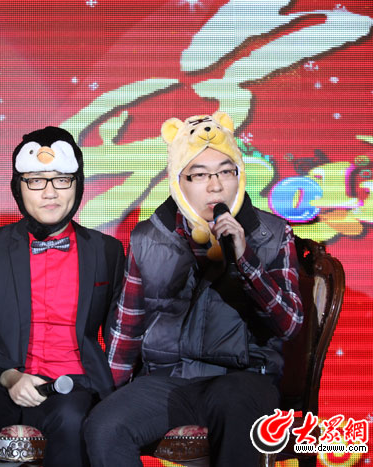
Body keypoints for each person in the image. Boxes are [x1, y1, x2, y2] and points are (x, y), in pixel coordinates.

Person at [84, 111, 303, 467]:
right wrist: (108, 398)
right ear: (177, 181)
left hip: (244, 378)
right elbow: (127, 331)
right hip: (168, 379)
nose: (215, 186)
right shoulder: (148, 237)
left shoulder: (272, 234)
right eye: (199, 175)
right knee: (104, 426)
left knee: (240, 414)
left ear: (240, 175)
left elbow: (290, 325)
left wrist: (244, 258)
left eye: (225, 172)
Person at [0, 126, 125, 467]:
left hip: (73, 382)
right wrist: (9, 376)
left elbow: (123, 335)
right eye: (36, 181)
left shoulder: (107, 251)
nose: (50, 192)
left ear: (78, 184)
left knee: (74, 424)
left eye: (61, 179)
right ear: (18, 187)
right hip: (0, 376)